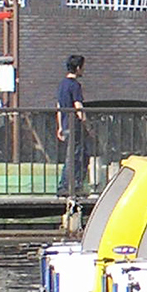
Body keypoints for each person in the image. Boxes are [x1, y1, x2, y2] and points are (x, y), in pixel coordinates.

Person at [56, 54, 88, 197]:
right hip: (74, 125)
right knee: (78, 155)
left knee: (72, 155)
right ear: (78, 68)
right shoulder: (75, 85)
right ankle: (71, 186)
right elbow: (78, 106)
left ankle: (67, 186)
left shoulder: (62, 84)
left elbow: (58, 106)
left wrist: (60, 126)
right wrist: (87, 125)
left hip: (65, 123)